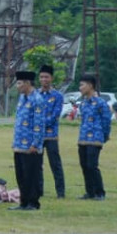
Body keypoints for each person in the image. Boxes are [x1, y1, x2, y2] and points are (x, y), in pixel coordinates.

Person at [11, 70, 45, 211]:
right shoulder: (22, 98)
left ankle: (33, 202)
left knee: (32, 174)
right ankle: (23, 202)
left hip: (31, 145)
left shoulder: (37, 99)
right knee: (21, 175)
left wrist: (35, 144)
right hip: (19, 144)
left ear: (27, 83)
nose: (17, 86)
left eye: (19, 83)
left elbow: (39, 124)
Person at [76, 73, 112, 200]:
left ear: (90, 86)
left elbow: (106, 121)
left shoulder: (100, 103)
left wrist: (105, 135)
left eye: (82, 85)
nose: (80, 88)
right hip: (83, 138)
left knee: (92, 166)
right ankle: (90, 192)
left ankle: (99, 192)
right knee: (84, 165)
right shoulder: (83, 103)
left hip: (95, 139)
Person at [37, 65, 66, 199]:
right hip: (37, 136)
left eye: (46, 77)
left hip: (51, 135)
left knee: (55, 164)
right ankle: (39, 190)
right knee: (37, 164)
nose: (44, 79)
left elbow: (55, 115)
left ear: (51, 78)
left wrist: (40, 124)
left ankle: (60, 192)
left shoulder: (57, 96)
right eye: (42, 77)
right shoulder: (35, 95)